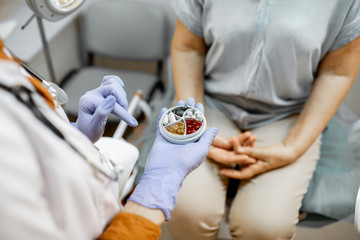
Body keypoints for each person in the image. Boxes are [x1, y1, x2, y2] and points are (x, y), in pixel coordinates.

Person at [167, 1, 360, 239]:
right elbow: (189, 49)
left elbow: (337, 71)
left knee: (264, 227)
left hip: (289, 113)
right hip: (210, 103)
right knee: (186, 209)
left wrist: (292, 147)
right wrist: (194, 128)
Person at [0, 38, 218, 240]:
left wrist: (75, 134)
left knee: (129, 153)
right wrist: (153, 194)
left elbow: (32, 128)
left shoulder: (6, 60)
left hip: (91, 197)